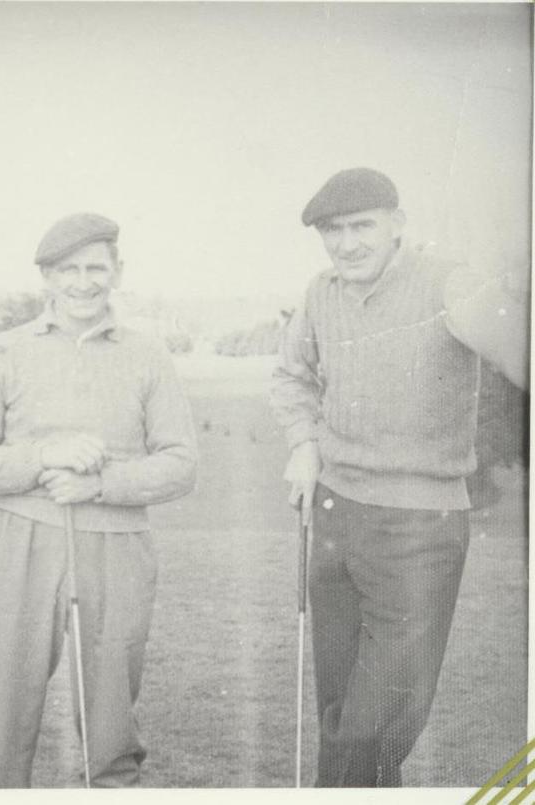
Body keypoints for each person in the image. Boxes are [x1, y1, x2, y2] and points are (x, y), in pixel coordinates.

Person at [270, 167, 516, 786]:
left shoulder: (450, 283)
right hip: (331, 514)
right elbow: (292, 376)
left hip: (418, 527)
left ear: (397, 225)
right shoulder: (321, 292)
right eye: (333, 231)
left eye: (362, 227)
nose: (346, 243)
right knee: (340, 712)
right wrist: (303, 443)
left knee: (375, 725)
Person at [0, 212, 198, 787]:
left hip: (117, 546)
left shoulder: (148, 353)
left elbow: (181, 465)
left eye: (96, 268)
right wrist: (44, 454)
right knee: (4, 729)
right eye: (68, 270)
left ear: (117, 271)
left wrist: (100, 485)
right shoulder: (5, 351)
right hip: (21, 541)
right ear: (46, 277)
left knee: (110, 734)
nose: (83, 282)